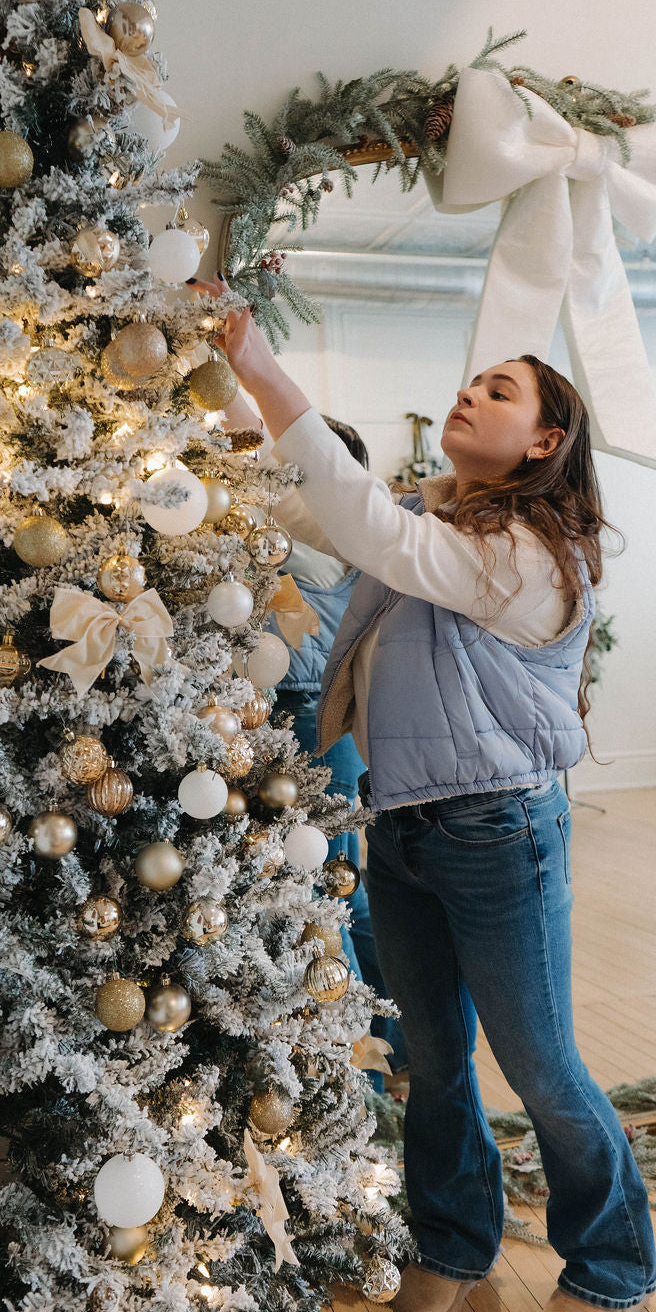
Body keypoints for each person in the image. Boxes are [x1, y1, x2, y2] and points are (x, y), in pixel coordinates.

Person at [190, 275, 656, 1312]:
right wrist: (219, 405)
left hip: (500, 837)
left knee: (542, 1070)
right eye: (470, 381)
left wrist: (260, 363)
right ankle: (452, 1242)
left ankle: (613, 1262)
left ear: (544, 442)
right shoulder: (434, 517)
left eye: (498, 391)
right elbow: (316, 508)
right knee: (436, 1062)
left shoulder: (532, 556)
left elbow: (368, 529)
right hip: (398, 828)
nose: (469, 394)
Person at [264, 415, 408, 1088]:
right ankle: (400, 1050)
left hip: (308, 720)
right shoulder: (347, 543)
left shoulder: (309, 546)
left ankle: (365, 1076)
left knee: (331, 901)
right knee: (350, 895)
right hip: (326, 725)